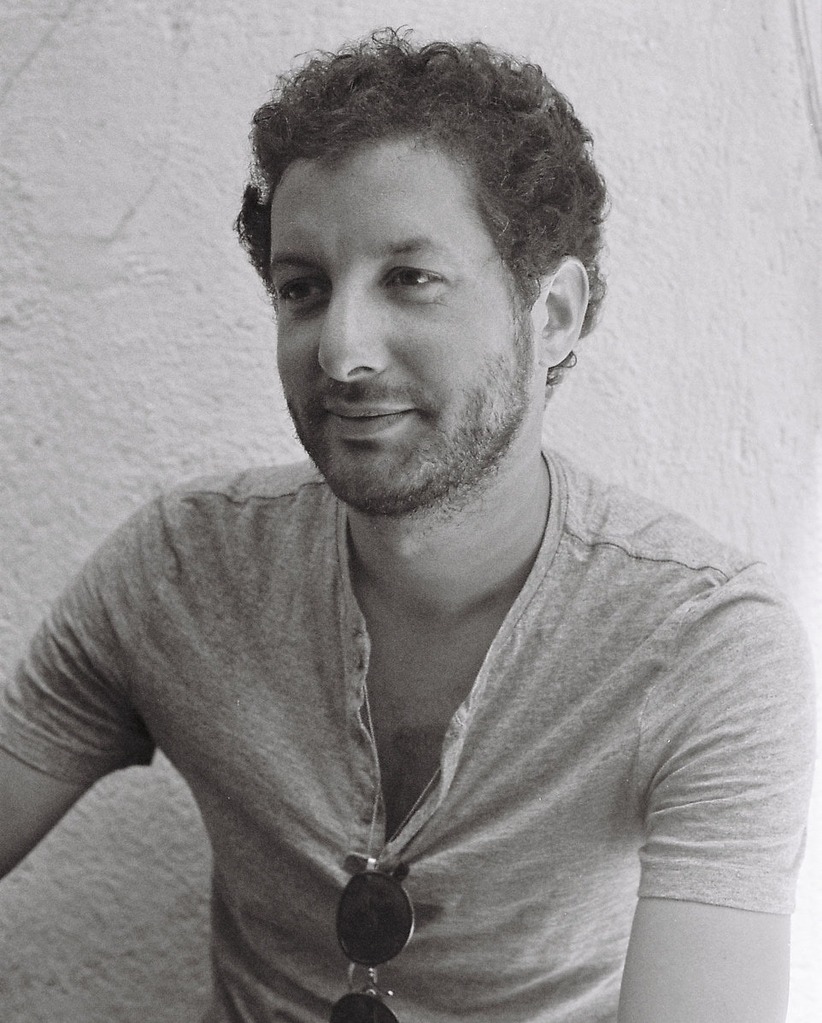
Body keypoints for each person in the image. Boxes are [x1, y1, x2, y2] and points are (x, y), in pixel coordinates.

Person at [0, 28, 815, 1023]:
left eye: (410, 279)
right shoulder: (182, 568)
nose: (341, 351)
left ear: (553, 314)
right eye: (302, 288)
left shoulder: (705, 645)